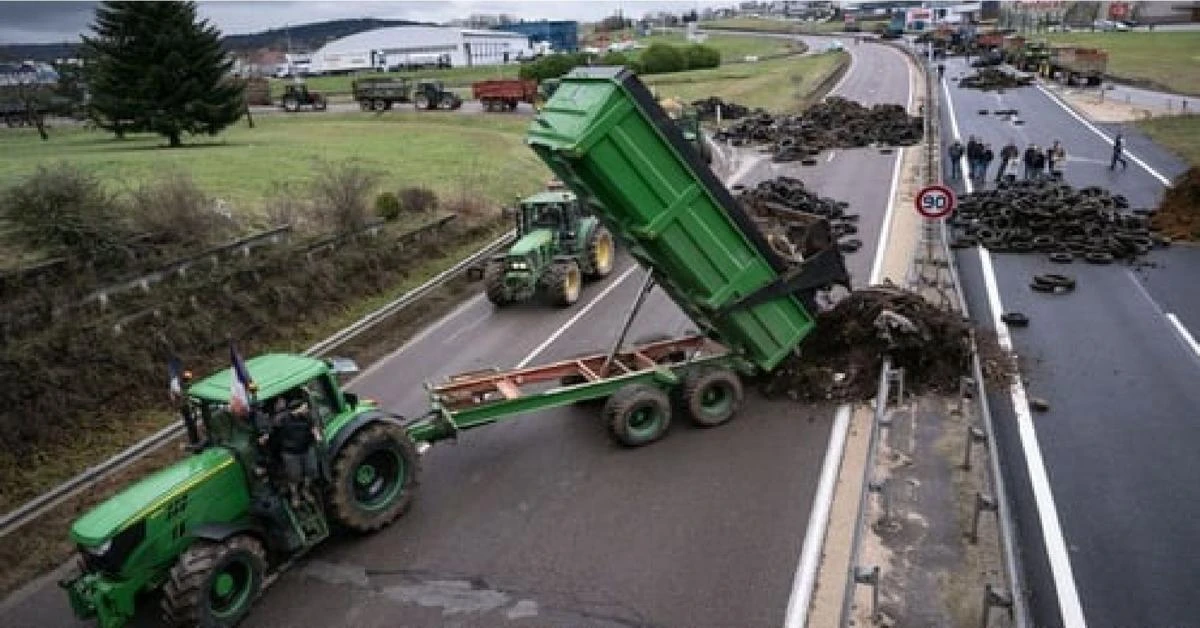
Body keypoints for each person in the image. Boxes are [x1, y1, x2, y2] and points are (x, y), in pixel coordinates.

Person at [262, 396, 323, 507]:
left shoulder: (307, 417)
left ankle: (306, 490)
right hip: (291, 453)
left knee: (311, 471)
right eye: (304, 408)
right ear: (297, 409)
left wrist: (316, 434)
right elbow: (271, 429)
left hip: (306, 449)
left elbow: (313, 426)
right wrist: (266, 436)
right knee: (294, 476)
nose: (306, 410)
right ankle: (295, 495)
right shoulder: (282, 419)